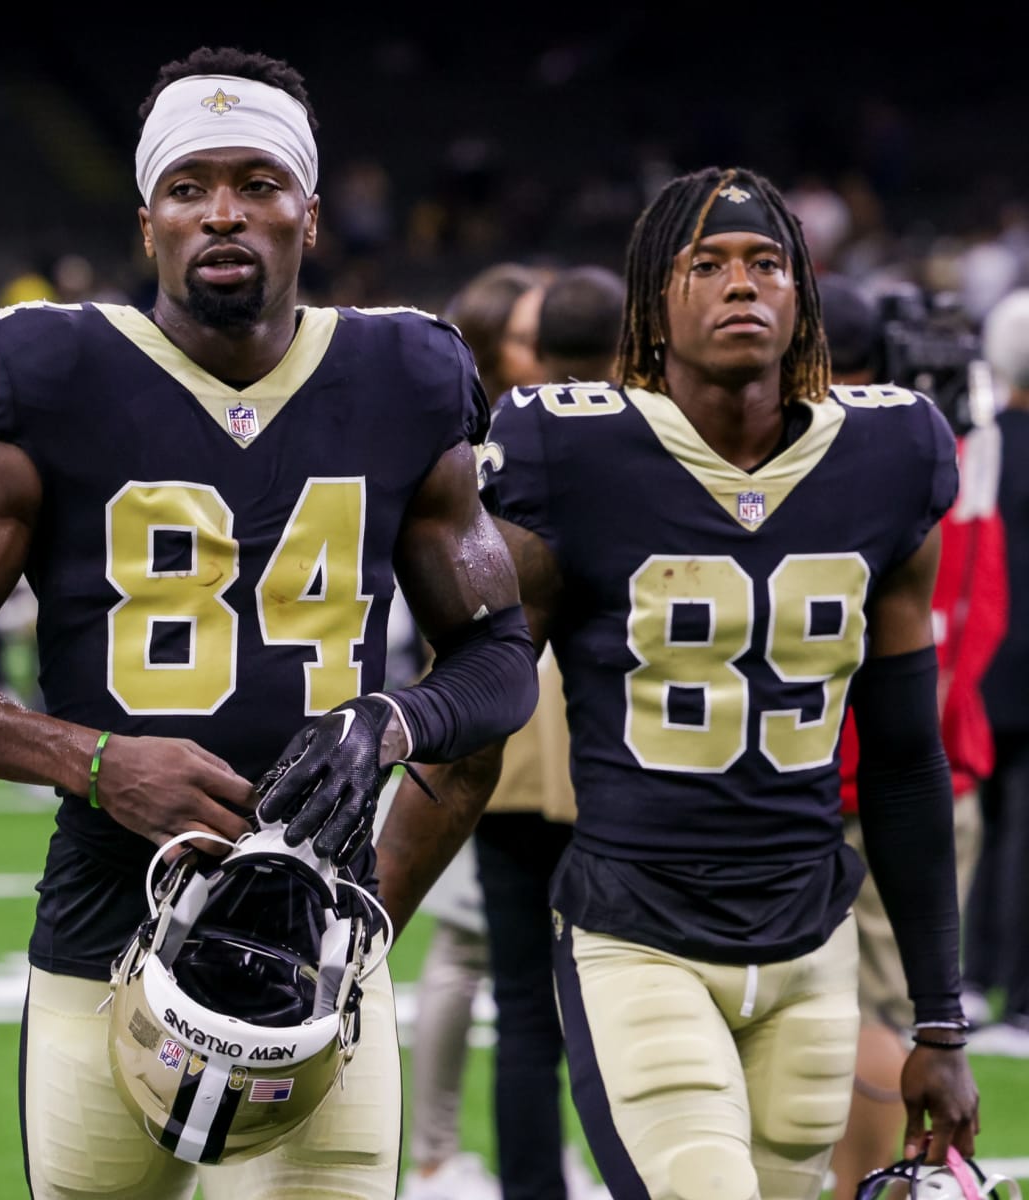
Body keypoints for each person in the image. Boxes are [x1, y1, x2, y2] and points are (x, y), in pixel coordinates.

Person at [0, 44, 538, 1200]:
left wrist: (391, 724)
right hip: (111, 925)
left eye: (257, 183)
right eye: (189, 185)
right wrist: (95, 760)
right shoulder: (53, 370)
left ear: (308, 214)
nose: (223, 212)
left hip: (316, 942)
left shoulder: (406, 369)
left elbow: (500, 655)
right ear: (148, 217)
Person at [377, 166, 980, 1200]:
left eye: (765, 264)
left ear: (803, 299)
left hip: (810, 946)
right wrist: (387, 776)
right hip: (637, 936)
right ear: (656, 305)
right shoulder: (572, 451)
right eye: (707, 265)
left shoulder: (892, 453)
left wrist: (938, 1020)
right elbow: (484, 686)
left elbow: (904, 761)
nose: (740, 285)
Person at [819, 273, 1006, 1198]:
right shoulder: (951, 449)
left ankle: (866, 1185)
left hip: (828, 773)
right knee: (892, 1004)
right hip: (937, 764)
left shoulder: (819, 454)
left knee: (855, 1015)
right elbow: (986, 609)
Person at [472, 264, 626, 1200]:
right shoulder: (647, 439)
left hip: (503, 744)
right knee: (625, 1009)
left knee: (524, 1007)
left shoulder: (498, 432)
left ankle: (532, 1190)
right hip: (613, 755)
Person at [401, 260, 550, 1200]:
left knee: (525, 956)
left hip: (536, 714)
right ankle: (435, 1150)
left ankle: (520, 1146)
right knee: (463, 942)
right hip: (464, 707)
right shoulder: (468, 443)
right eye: (533, 335)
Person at [962, 287, 1029, 1057]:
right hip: (1019, 656)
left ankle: (974, 977)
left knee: (981, 824)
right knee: (1022, 830)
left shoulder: (977, 440)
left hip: (980, 656)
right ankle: (1018, 988)